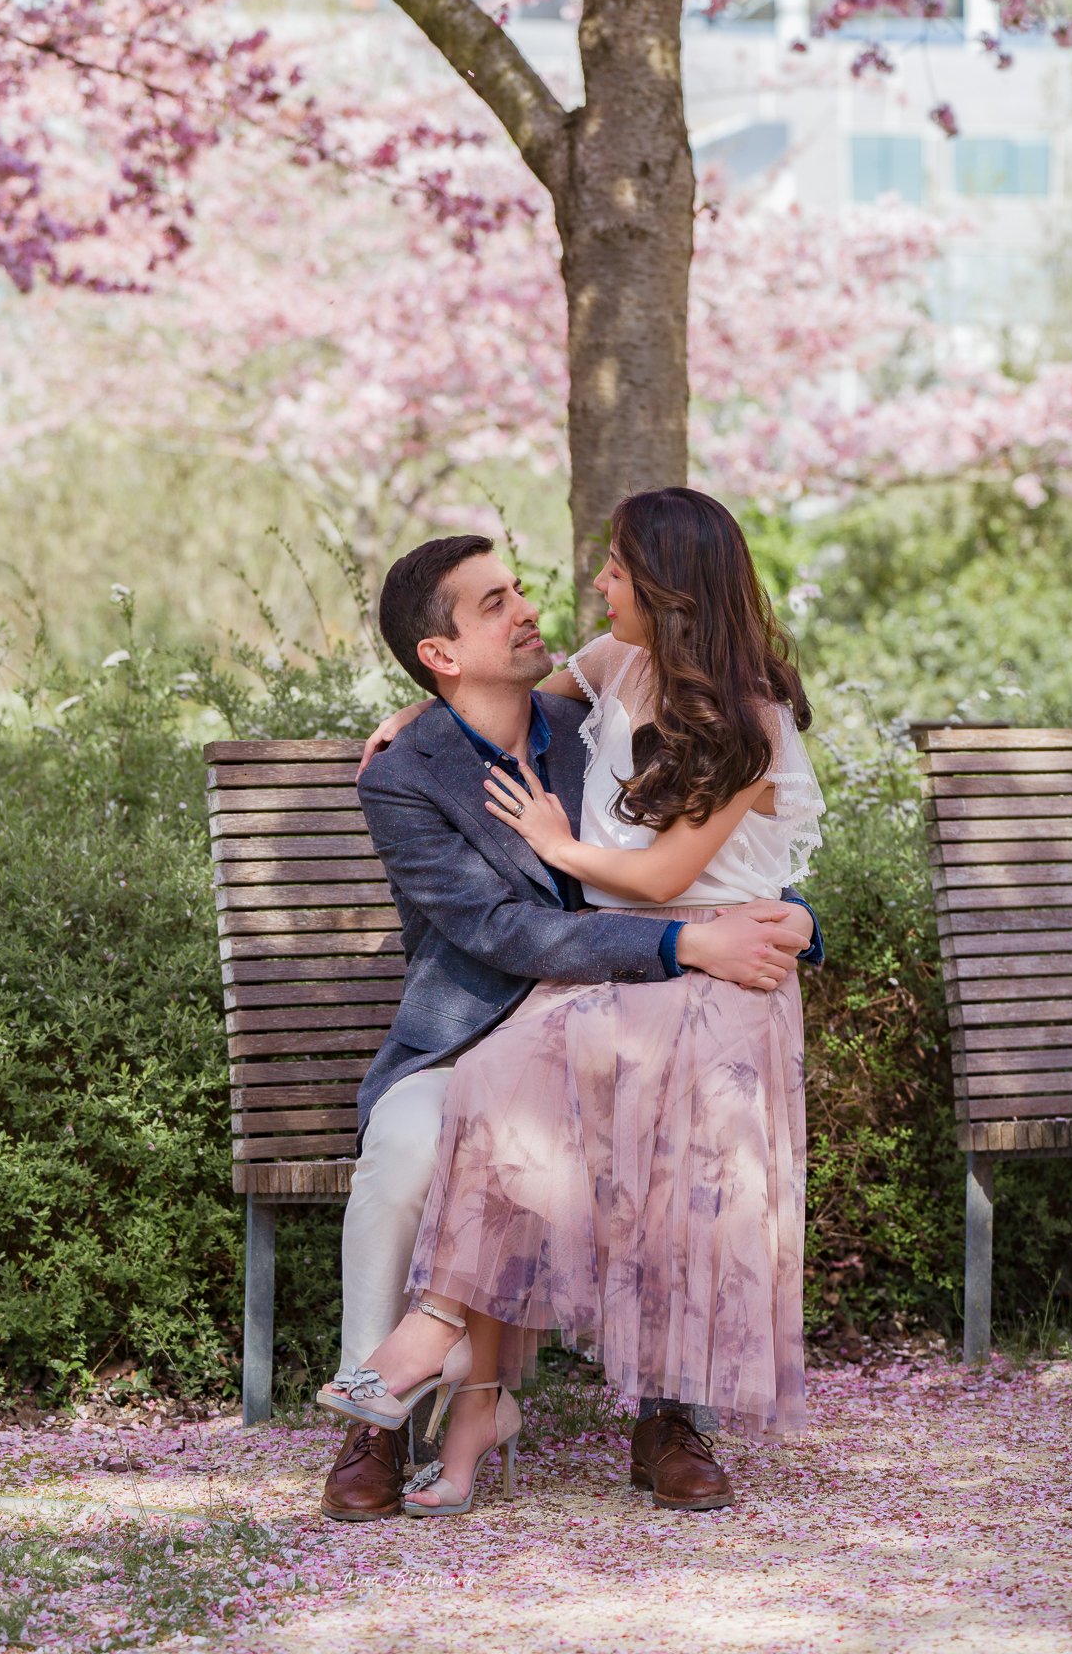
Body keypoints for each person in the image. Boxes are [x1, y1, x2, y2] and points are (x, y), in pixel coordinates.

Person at [316, 511, 822, 1521]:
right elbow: (509, 932)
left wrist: (789, 920)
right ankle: (375, 1422)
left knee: (678, 1128)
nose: (537, 602)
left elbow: (723, 846)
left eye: (519, 588)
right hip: (478, 1025)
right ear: (441, 651)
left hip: (627, 1012)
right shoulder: (409, 773)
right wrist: (687, 942)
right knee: (412, 1152)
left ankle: (669, 1414)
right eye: (496, 600)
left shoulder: (595, 710)